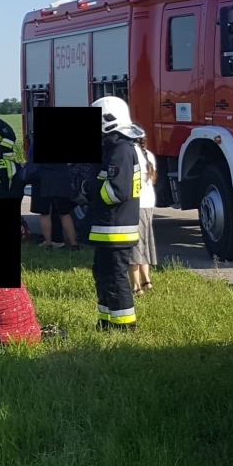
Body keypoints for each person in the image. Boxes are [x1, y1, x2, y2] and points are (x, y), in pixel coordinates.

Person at [85, 95, 144, 331]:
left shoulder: (120, 149)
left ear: (108, 121)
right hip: (107, 228)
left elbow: (116, 192)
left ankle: (125, 326)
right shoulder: (113, 147)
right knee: (103, 275)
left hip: (115, 229)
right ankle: (107, 321)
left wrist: (88, 189)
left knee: (116, 278)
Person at [30, 155, 80, 249]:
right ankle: (74, 244)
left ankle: (49, 244)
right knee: (65, 214)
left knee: (45, 214)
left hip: (42, 181)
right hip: (61, 179)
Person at [131, 137, 159, 295]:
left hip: (136, 204)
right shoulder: (148, 154)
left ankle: (135, 287)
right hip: (149, 202)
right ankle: (146, 280)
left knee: (134, 247)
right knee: (145, 243)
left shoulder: (130, 154)